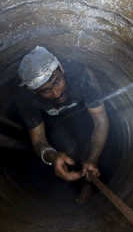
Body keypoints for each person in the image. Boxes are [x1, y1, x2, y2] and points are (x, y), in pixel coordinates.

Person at [14, 46, 109, 202]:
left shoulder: (81, 76)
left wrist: (93, 158)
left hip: (81, 111)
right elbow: (38, 140)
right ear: (33, 92)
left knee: (88, 141)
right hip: (54, 119)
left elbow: (100, 120)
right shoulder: (25, 97)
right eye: (45, 91)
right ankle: (79, 179)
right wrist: (52, 156)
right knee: (68, 149)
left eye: (57, 81)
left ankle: (88, 183)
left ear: (62, 68)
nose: (56, 93)